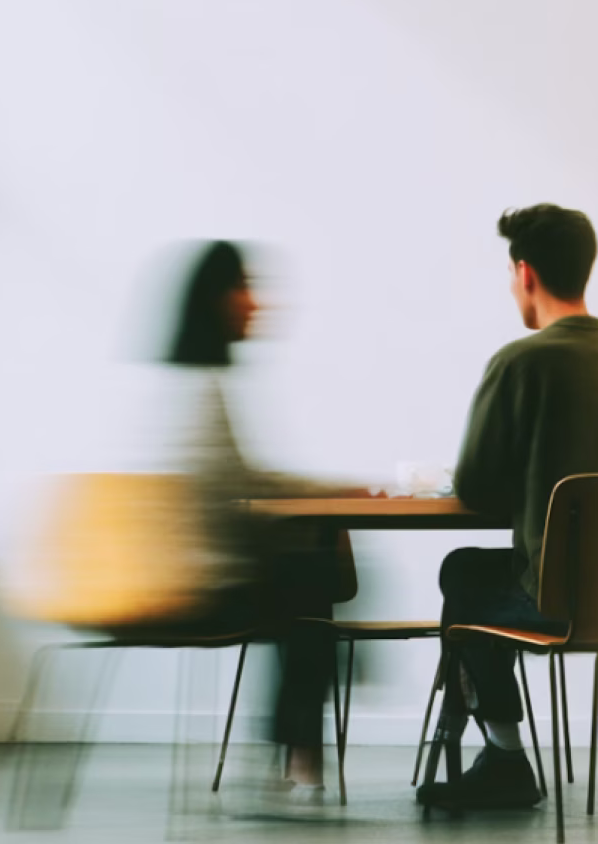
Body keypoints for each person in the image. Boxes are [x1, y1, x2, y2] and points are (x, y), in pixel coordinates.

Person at [417, 205, 598, 809]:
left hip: (554, 602)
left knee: (464, 573)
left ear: (524, 272)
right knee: (483, 573)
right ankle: (493, 758)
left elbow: (476, 488)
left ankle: (504, 758)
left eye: (510, 275)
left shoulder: (519, 364)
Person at [164, 239, 370, 800]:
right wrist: (331, 493)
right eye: (244, 287)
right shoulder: (200, 388)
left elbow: (246, 480)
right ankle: (302, 745)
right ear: (216, 299)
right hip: (203, 582)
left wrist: (323, 491)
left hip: (201, 567)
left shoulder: (190, 382)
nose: (257, 303)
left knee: (310, 572)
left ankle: (297, 747)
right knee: (315, 576)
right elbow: (240, 487)